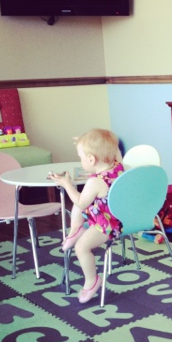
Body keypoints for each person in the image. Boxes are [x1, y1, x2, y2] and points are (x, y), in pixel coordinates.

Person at [49, 128, 124, 303]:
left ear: (91, 159)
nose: (80, 160)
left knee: (81, 248)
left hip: (108, 224)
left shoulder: (95, 182)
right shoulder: (118, 165)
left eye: (81, 157)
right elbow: (115, 149)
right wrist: (89, 142)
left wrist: (67, 184)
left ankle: (92, 280)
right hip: (120, 214)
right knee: (80, 203)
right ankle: (76, 230)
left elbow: (81, 203)